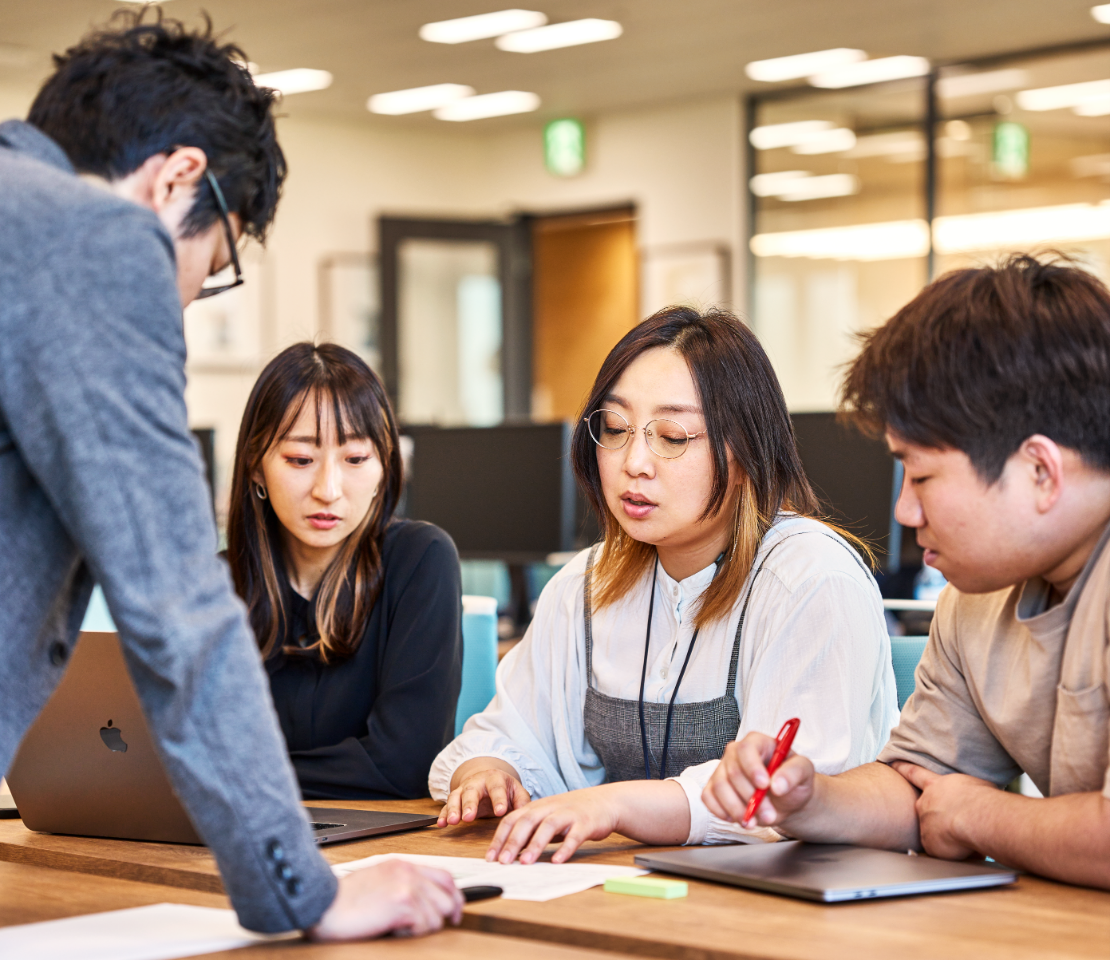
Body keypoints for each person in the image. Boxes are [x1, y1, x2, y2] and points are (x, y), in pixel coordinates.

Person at [0, 12, 461, 938]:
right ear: (180, 178)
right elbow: (177, 607)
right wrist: (307, 891)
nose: (179, 298)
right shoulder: (95, 241)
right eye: (209, 263)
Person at [430, 306, 899, 864]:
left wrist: (612, 806)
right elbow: (502, 735)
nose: (634, 462)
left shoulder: (810, 579)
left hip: (791, 912)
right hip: (629, 895)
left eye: (672, 436)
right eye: (616, 428)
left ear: (747, 451)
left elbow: (782, 800)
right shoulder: (585, 583)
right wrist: (490, 771)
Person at [705, 255, 1110, 891]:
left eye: (920, 476)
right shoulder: (977, 595)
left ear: (1040, 471)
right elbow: (915, 788)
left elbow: (959, 809)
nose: (904, 510)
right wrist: (808, 799)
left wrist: (981, 814)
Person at [225, 342, 462, 800]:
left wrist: (234, 778)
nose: (328, 490)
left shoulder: (421, 559)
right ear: (256, 467)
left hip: (385, 841)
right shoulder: (216, 586)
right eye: (299, 460)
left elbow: (405, 765)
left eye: (355, 460)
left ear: (384, 467)